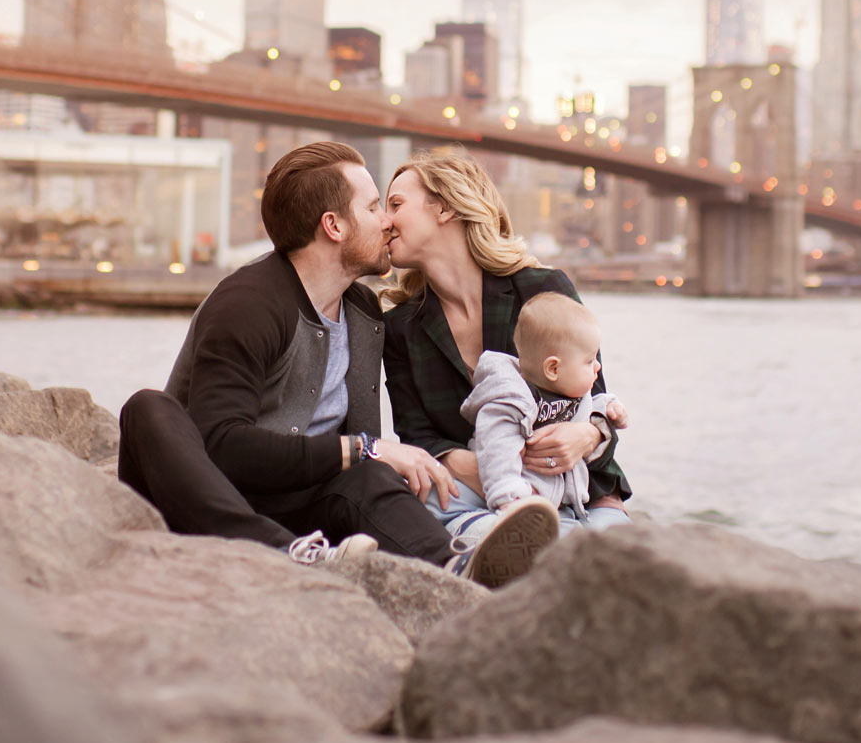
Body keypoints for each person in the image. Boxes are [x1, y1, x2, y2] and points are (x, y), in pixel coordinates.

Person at [117, 141, 458, 570]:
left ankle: (454, 568)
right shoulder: (248, 304)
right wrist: (365, 447)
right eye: (374, 208)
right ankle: (280, 552)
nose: (388, 221)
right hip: (214, 506)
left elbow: (359, 463)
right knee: (147, 408)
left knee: (370, 476)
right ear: (334, 226)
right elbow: (221, 445)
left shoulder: (363, 312)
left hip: (306, 509)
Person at [379, 150, 632, 582]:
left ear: (445, 207)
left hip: (581, 495)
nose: (384, 221)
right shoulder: (400, 326)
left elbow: (596, 396)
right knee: (430, 512)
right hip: (473, 500)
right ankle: (508, 542)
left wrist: (585, 433)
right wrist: (502, 474)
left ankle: (546, 542)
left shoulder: (542, 289)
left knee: (612, 567)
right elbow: (419, 439)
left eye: (396, 205)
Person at [463, 291, 621, 523]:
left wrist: (608, 407)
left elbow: (586, 409)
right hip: (522, 498)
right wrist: (509, 497)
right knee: (563, 545)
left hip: (559, 500)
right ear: (553, 369)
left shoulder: (572, 391)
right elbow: (497, 447)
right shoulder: (511, 401)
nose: (597, 366)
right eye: (589, 361)